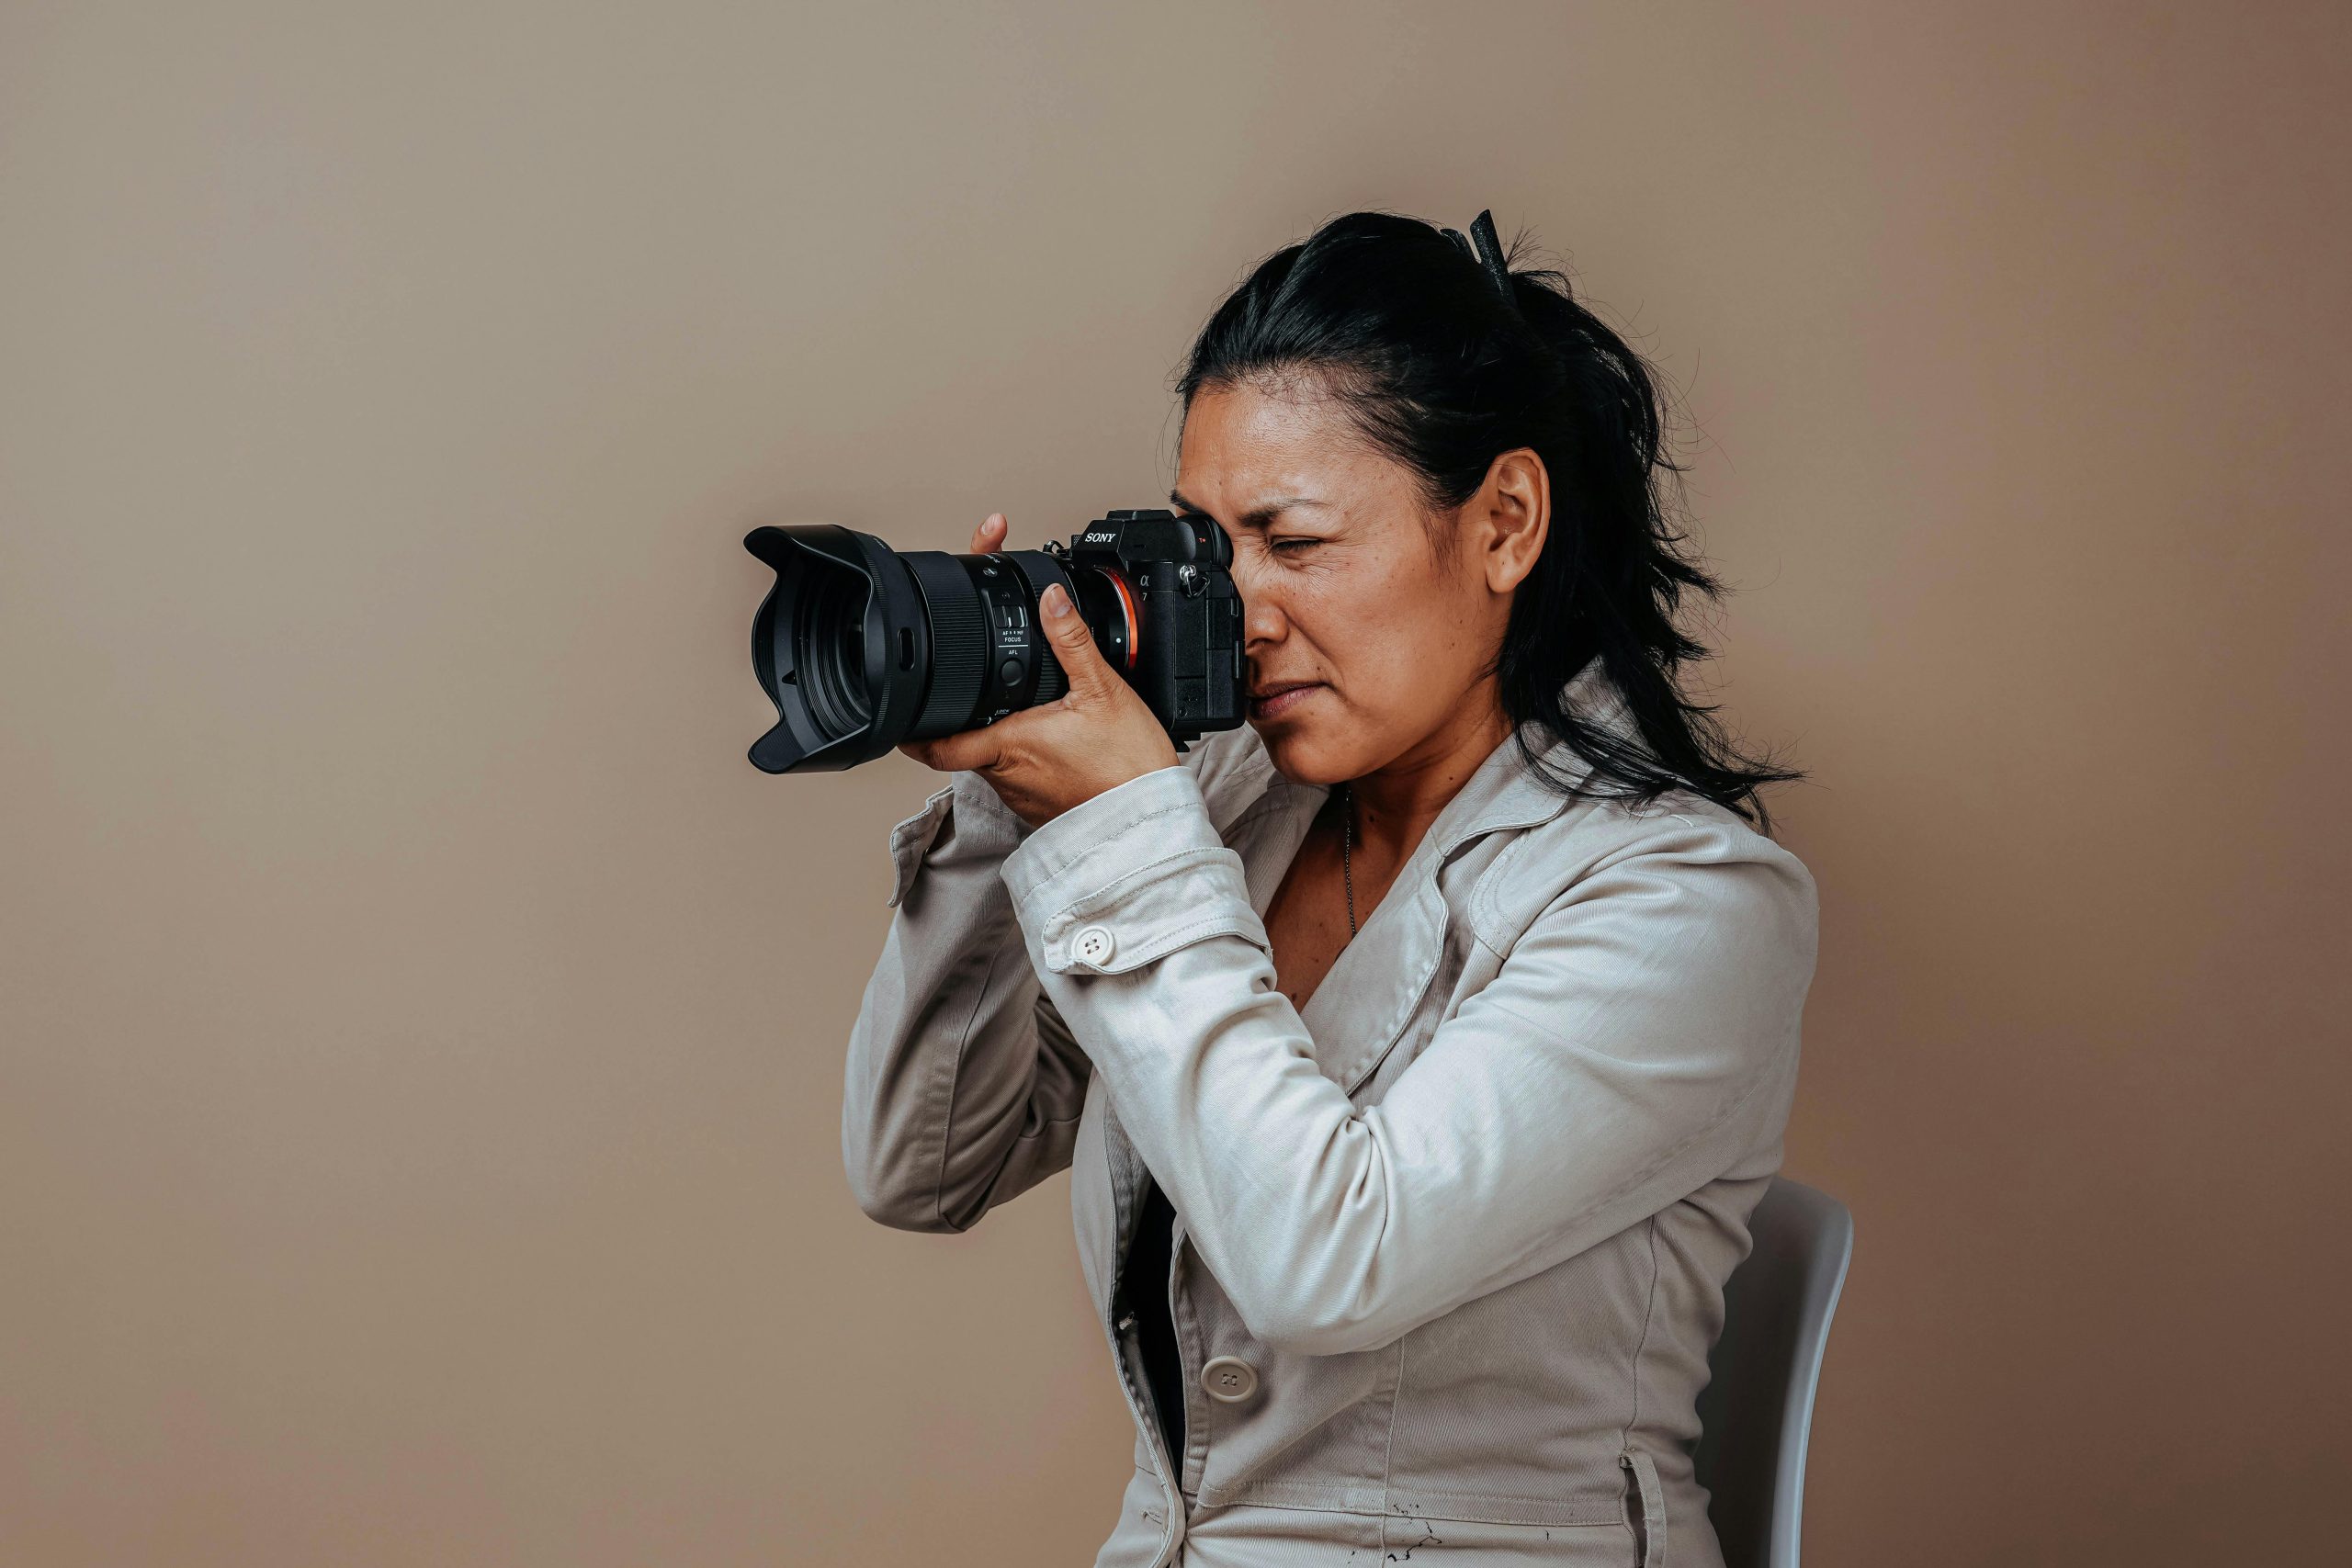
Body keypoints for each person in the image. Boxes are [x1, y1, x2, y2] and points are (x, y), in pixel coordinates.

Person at [841, 209, 1818, 1568]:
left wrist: (1124, 827)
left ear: (1505, 523)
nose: (1241, 615)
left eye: (1293, 543)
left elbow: (1326, 1264)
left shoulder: (1688, 903)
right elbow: (922, 1165)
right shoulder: (1238, 813)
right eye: (1210, 548)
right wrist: (1009, 802)